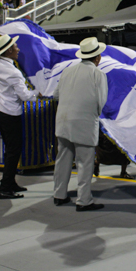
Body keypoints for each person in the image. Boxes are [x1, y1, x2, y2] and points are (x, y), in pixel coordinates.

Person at [52, 37, 108, 211]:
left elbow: (55, 95)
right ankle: (84, 200)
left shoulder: (67, 71)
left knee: (62, 159)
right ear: (97, 58)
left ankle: (59, 195)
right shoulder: (98, 74)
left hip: (62, 122)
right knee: (84, 163)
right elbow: (101, 101)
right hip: (83, 123)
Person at [0, 33, 39, 199]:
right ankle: (4, 188)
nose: (18, 49)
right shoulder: (13, 72)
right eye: (15, 47)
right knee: (13, 151)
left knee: (10, 150)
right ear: (9, 51)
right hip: (11, 115)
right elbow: (25, 96)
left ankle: (10, 182)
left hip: (0, 111)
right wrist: (39, 92)